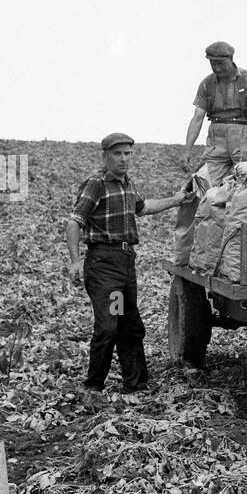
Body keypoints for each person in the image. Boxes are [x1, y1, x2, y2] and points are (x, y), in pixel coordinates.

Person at [66, 132, 196, 401]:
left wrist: (175, 200)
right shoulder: (96, 184)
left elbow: (144, 206)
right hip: (104, 266)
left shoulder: (127, 184)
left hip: (125, 264)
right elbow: (74, 222)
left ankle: (135, 385)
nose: (124, 159)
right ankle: (93, 387)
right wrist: (75, 261)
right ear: (106, 156)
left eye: (127, 154)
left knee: (130, 325)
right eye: (117, 154)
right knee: (109, 326)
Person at [182, 41, 247, 187]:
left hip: (244, 134)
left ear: (231, 59)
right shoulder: (207, 84)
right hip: (217, 139)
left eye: (220, 63)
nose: (217, 68)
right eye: (213, 63)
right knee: (204, 186)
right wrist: (187, 151)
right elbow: (197, 118)